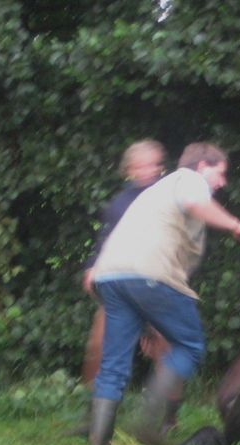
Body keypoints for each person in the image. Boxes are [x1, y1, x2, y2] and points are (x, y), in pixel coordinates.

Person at [86, 142, 240, 445]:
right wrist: (236, 224)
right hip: (148, 275)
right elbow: (196, 203)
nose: (222, 183)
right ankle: (149, 419)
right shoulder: (188, 180)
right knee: (189, 345)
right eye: (220, 174)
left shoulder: (154, 193)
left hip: (111, 276)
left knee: (112, 367)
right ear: (201, 166)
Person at [80, 140, 170, 386]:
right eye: (140, 167)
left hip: (159, 284)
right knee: (99, 343)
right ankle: (93, 408)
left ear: (160, 167)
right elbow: (105, 241)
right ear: (129, 170)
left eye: (152, 166)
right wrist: (92, 266)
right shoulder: (118, 204)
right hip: (119, 283)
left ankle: (168, 418)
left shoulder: (171, 197)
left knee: (166, 345)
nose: (147, 171)